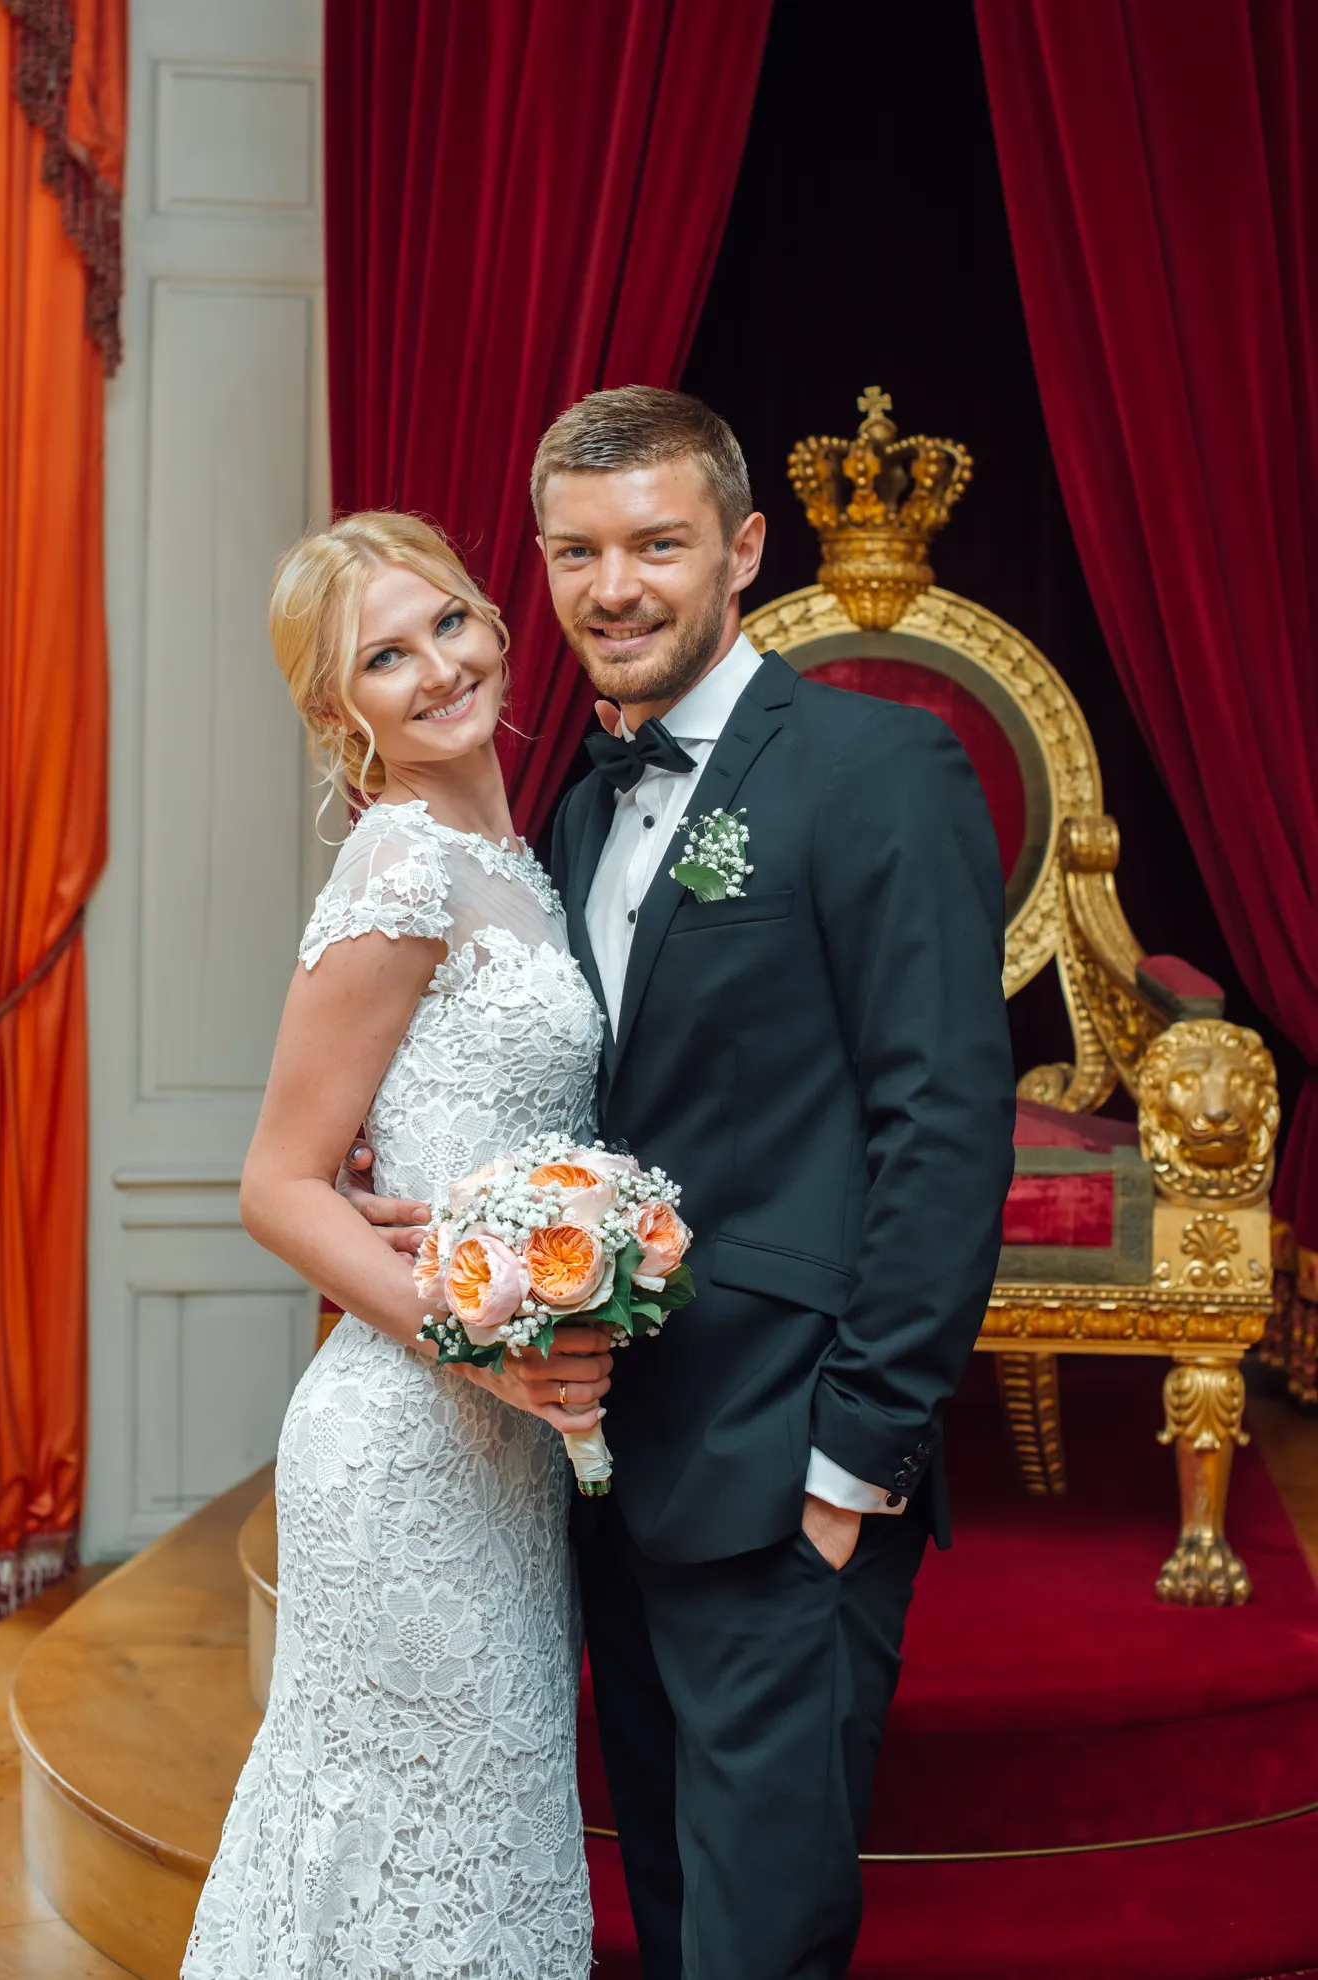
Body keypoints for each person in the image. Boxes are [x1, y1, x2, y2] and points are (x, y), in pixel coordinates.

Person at [347, 388, 1017, 1980]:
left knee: (761, 1945)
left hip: (789, 1468)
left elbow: (943, 1129)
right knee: (671, 1916)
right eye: (576, 552)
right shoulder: (571, 805)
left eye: (656, 542)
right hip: (599, 1472)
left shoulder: (880, 771)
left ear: (743, 550)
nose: (614, 585)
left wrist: (855, 1467)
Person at [182, 513, 612, 1980]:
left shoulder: (517, 855)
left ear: (494, 620)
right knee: (391, 1848)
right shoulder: (401, 867)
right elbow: (279, 1186)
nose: (436, 667)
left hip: (508, 1459)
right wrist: (481, 1348)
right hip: (404, 1452)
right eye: (384, 655)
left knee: (476, 1845)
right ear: (336, 711)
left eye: (448, 624)